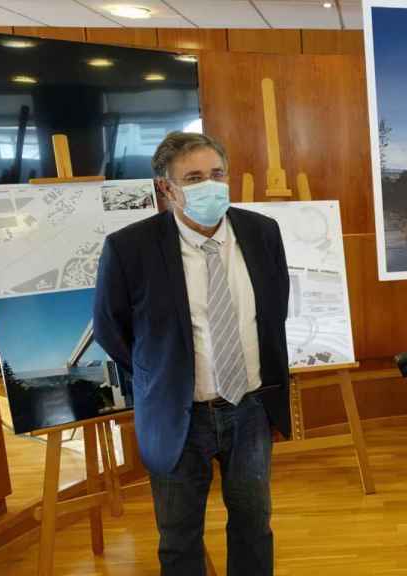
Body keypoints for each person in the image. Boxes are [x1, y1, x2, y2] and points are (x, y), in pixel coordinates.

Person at [93, 132, 292, 576]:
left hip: (249, 409)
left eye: (217, 174)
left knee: (254, 526)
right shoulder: (130, 248)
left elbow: (274, 311)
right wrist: (164, 374)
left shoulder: (262, 233)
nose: (210, 185)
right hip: (177, 417)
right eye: (194, 177)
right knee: (180, 538)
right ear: (167, 188)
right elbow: (112, 329)